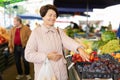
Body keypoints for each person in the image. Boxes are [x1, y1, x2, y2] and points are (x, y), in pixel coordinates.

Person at [25, 4, 89, 80]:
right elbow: (28, 55)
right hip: (46, 75)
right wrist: (47, 56)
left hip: (61, 75)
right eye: (50, 15)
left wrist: (79, 49)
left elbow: (68, 41)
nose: (53, 17)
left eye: (55, 15)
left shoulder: (58, 31)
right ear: (43, 16)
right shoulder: (36, 33)